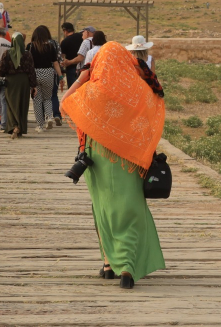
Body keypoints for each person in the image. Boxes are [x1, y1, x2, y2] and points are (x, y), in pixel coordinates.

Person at [61, 41, 166, 290]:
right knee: (130, 209)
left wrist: (83, 78)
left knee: (103, 207)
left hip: (97, 157)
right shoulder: (141, 89)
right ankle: (127, 268)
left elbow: (65, 103)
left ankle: (108, 264)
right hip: (130, 160)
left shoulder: (91, 91)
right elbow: (154, 116)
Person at [0, 33, 37, 139]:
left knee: (11, 105)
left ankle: (14, 126)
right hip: (24, 82)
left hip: (11, 82)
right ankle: (20, 127)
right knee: (22, 105)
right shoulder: (28, 54)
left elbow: (0, 71)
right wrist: (34, 86)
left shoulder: (7, 53)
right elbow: (31, 71)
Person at [27, 25, 62, 132]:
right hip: (48, 73)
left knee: (37, 100)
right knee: (47, 98)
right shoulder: (50, 47)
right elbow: (55, 63)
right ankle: (49, 117)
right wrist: (60, 76)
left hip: (35, 74)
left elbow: (27, 63)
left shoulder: (30, 47)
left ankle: (40, 125)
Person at [59, 22, 83, 88]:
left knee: (72, 91)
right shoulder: (81, 36)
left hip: (71, 68)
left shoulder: (64, 42)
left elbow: (62, 57)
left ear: (65, 31)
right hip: (82, 67)